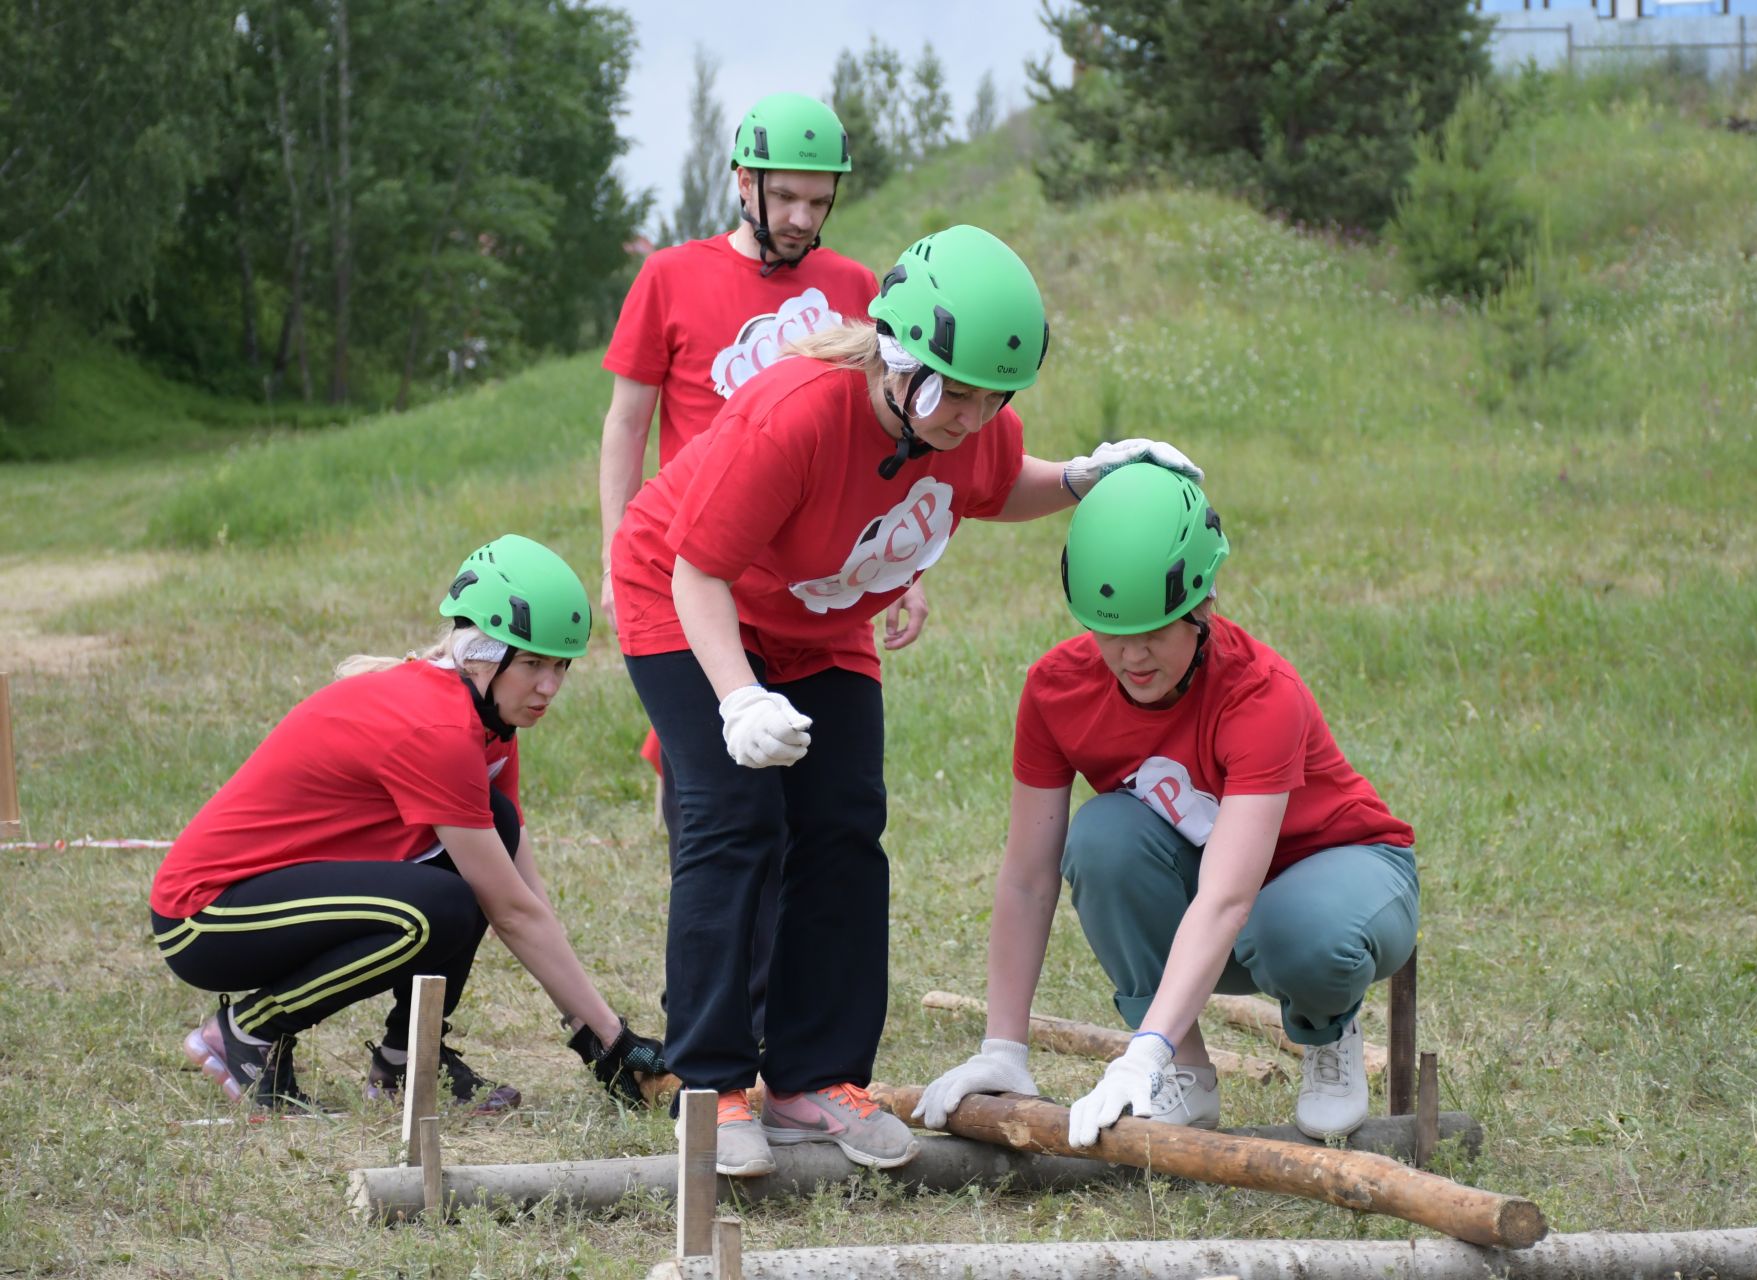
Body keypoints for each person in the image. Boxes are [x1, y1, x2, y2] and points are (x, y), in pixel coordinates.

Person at [609, 223, 1198, 1176]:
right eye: (954, 393)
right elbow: (696, 572)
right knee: (735, 819)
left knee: (844, 826)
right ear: (895, 356)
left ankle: (812, 1082)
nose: (971, 415)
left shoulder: (968, 425)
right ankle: (711, 1090)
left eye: (991, 397)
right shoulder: (795, 414)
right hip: (687, 598)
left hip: (819, 619)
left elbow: (998, 483)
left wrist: (1088, 475)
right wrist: (735, 699)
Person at [916, 464, 1418, 1146]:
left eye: (1154, 630)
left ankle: (1328, 1031)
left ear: (1203, 604)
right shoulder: (1057, 692)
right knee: (1102, 839)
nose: (1131, 655)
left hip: (1346, 878)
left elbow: (1227, 899)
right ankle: (1186, 1071)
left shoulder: (1262, 694)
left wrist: (1138, 1050)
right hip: (1225, 912)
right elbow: (1028, 879)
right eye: (1109, 631)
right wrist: (1003, 1048)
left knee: (1298, 932)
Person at [597, 93, 915, 1043]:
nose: (803, 220)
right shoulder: (670, 278)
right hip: (704, 581)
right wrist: (618, 559)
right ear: (743, 182)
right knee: (724, 813)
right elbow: (626, 424)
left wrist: (907, 558)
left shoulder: (857, 283)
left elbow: (898, 431)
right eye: (786, 199)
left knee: (823, 817)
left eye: (819, 203)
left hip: (816, 589)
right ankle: (710, 1038)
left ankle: (789, 1046)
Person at [151, 535, 664, 1112]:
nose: (550, 686)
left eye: (561, 666)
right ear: (482, 655)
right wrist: (610, 1039)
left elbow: (524, 896)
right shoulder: (440, 731)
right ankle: (249, 1031)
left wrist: (591, 1028)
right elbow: (511, 912)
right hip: (204, 915)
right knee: (438, 908)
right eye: (533, 664)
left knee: (490, 835)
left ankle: (405, 1062)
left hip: (269, 898)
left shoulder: (489, 723)